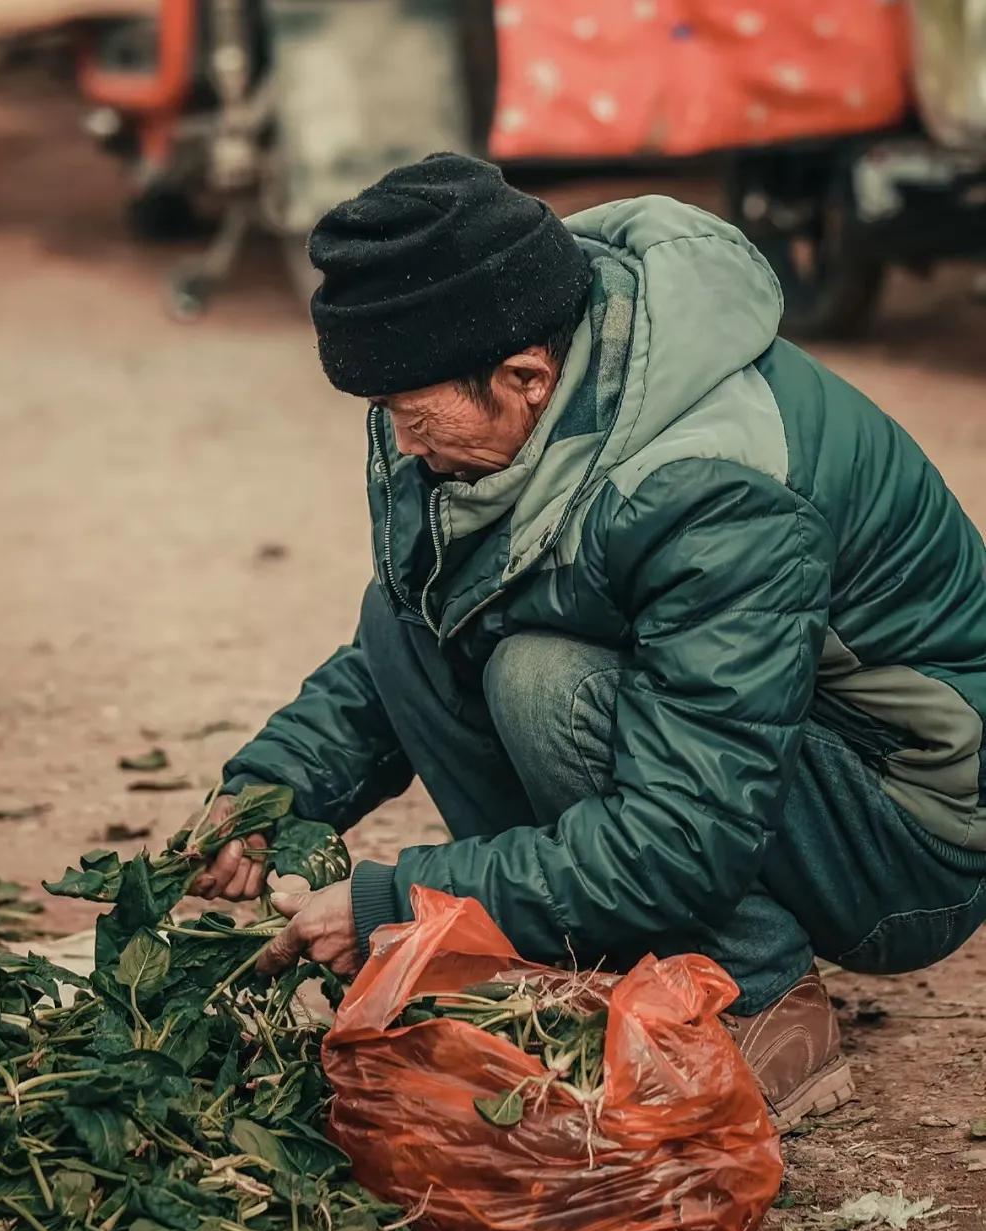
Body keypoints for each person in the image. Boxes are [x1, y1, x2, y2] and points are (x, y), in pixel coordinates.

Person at [188, 153, 986, 1132]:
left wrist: (401, 898)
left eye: (410, 413)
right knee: (406, 614)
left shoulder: (711, 486)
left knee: (539, 676)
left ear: (524, 377)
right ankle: (593, 954)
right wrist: (271, 794)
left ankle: (762, 999)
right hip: (762, 762)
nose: (400, 445)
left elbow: (686, 831)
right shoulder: (526, 379)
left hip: (903, 827)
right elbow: (427, 623)